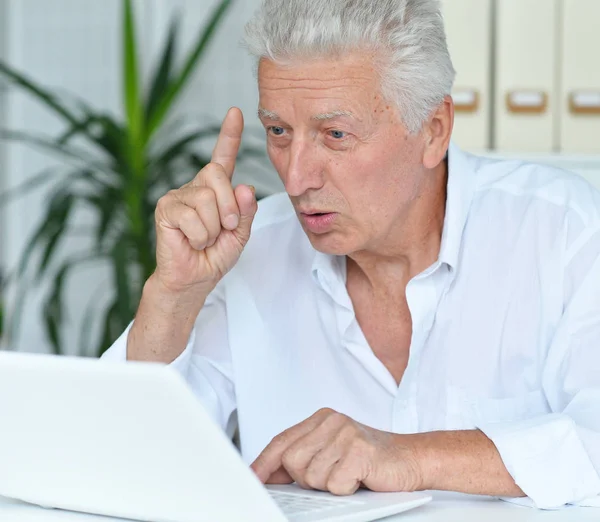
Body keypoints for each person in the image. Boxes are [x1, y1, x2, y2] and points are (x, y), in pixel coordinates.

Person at [102, 0, 600, 509]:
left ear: (434, 130)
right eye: (278, 131)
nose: (296, 179)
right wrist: (173, 294)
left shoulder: (560, 229)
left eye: (335, 135)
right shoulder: (252, 247)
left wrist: (409, 458)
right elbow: (117, 458)